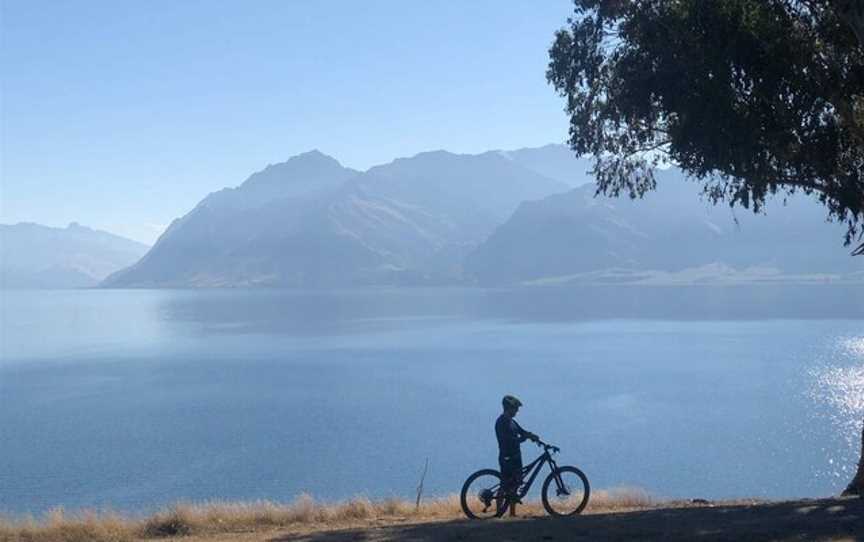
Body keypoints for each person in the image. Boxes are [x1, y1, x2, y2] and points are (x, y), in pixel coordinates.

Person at [495, 395, 538, 513]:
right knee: (504, 486)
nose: (517, 411)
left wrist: (531, 435)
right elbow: (507, 440)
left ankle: (512, 513)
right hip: (507, 457)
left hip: (516, 456)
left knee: (515, 485)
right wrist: (522, 439)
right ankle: (498, 512)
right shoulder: (501, 422)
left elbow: (521, 431)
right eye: (515, 408)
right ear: (509, 408)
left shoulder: (512, 422)